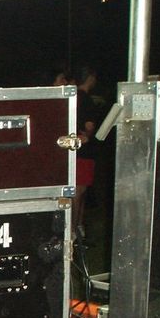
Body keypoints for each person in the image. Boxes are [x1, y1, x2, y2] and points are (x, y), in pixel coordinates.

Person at [72, 65, 99, 233]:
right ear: (90, 77)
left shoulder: (74, 97)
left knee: (80, 191)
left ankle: (78, 229)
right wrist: (90, 134)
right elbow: (89, 127)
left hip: (75, 151)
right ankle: (73, 230)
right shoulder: (86, 99)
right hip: (83, 151)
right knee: (79, 191)